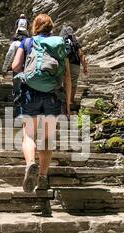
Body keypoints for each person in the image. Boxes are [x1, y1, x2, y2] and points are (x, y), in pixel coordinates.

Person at [12, 13, 72, 194]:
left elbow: (15, 66)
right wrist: (68, 103)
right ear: (51, 27)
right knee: (47, 138)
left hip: (30, 92)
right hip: (53, 94)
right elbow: (67, 76)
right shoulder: (60, 44)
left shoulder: (28, 42)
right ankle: (43, 178)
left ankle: (30, 164)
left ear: (35, 27)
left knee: (28, 135)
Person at [60, 24, 88, 104]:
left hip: (63, 63)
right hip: (74, 64)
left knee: (63, 82)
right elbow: (80, 54)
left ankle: (64, 100)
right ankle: (71, 100)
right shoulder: (75, 42)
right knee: (73, 83)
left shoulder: (61, 40)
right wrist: (85, 67)